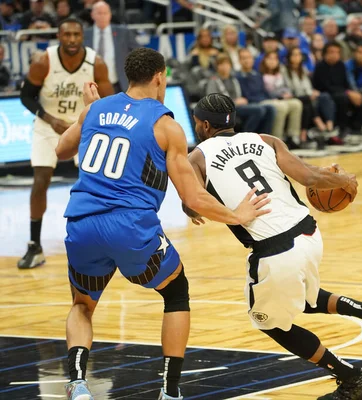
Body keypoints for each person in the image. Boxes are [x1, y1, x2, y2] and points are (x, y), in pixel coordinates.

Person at [55, 48, 270, 400]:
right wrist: (237, 216)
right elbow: (193, 197)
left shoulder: (96, 108)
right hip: (129, 226)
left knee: (82, 305)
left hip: (81, 222)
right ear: (159, 77)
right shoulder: (166, 125)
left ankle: (78, 384)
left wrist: (86, 114)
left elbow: (62, 151)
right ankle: (170, 392)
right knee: (175, 290)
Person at [186, 92, 362, 400]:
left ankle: (352, 379)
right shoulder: (266, 140)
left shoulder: (197, 158)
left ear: (203, 126)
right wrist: (343, 180)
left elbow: (192, 205)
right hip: (309, 233)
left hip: (275, 249)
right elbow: (309, 175)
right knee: (298, 297)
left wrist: (203, 209)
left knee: (269, 322)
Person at [17, 17, 113, 270]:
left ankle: (102, 241)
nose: (72, 40)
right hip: (49, 126)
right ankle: (34, 245)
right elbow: (26, 96)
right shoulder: (44, 61)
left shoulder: (96, 63)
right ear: (59, 36)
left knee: (96, 183)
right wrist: (49, 118)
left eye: (76, 35)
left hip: (84, 126)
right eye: (67, 34)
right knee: (40, 181)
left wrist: (94, 117)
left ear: (83, 36)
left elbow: (109, 98)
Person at [205, 53, 275, 134]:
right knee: (259, 110)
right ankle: (245, 136)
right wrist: (234, 102)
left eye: (227, 64)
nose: (225, 67)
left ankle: (264, 137)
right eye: (221, 64)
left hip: (239, 105)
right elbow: (212, 101)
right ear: (217, 66)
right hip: (226, 109)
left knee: (270, 108)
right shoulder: (214, 80)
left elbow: (239, 94)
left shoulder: (233, 79)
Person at [312, 41, 362, 141]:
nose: (335, 55)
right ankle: (342, 128)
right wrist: (348, 93)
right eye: (332, 52)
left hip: (341, 91)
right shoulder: (320, 67)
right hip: (325, 94)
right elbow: (325, 86)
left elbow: (346, 83)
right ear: (325, 53)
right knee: (343, 98)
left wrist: (352, 92)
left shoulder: (340, 65)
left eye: (337, 52)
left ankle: (357, 127)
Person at [84, 1, 140, 93]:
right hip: (92, 86)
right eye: (99, 13)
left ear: (110, 15)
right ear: (92, 15)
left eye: (105, 13)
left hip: (119, 85)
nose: (102, 16)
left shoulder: (123, 33)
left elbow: (139, 52)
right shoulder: (85, 34)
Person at [284, 47, 336, 141]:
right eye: (294, 55)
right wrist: (308, 94)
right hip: (293, 96)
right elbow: (290, 87)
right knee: (307, 102)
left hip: (305, 96)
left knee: (325, 96)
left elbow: (307, 85)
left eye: (299, 55)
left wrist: (311, 93)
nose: (297, 57)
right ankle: (319, 126)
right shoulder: (285, 70)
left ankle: (329, 126)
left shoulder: (303, 69)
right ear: (289, 57)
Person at [259, 50, 303, 145]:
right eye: (269, 59)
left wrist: (287, 93)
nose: (272, 61)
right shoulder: (260, 74)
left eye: (275, 59)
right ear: (264, 60)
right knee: (282, 107)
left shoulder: (280, 73)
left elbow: (286, 86)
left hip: (280, 98)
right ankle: (277, 138)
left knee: (296, 103)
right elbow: (264, 91)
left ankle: (293, 136)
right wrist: (279, 96)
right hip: (268, 99)